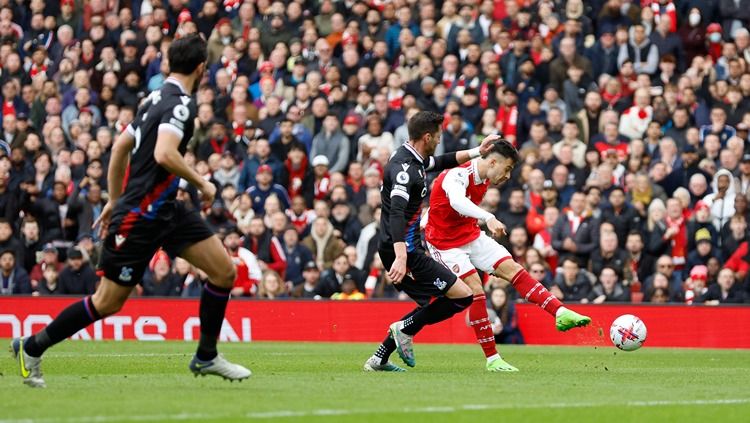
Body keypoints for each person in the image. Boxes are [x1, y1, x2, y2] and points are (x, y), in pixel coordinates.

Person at [11, 35, 251, 388]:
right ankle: (32, 346)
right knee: (107, 303)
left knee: (224, 272)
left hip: (167, 210)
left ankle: (206, 355)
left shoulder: (152, 99)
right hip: (139, 217)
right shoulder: (180, 104)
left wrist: (112, 197)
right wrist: (204, 183)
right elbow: (164, 154)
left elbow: (121, 147)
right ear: (201, 68)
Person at [424, 139, 590, 371]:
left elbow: (442, 207)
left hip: (470, 235)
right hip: (445, 245)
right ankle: (493, 359)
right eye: (508, 168)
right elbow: (456, 201)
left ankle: (559, 312)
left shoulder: (484, 178)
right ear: (493, 161)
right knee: (476, 291)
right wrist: (488, 217)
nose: (508, 176)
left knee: (514, 269)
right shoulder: (457, 175)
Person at [364, 111, 496, 373]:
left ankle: (379, 358)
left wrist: (477, 151)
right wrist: (402, 256)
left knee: (434, 303)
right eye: (437, 136)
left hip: (403, 247)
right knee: (461, 296)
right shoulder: (405, 170)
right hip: (404, 249)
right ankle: (403, 331)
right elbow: (396, 213)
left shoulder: (410, 157)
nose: (439, 140)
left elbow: (441, 161)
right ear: (427, 137)